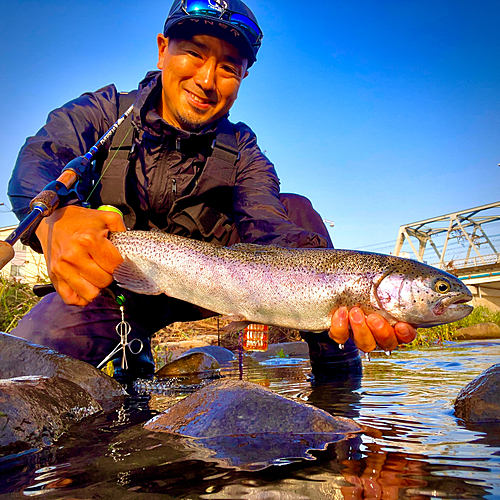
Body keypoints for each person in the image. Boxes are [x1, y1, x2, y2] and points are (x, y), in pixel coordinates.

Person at [8, 0, 416, 382]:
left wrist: (335, 288)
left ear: (243, 77)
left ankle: (339, 381)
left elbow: (268, 224)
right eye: (195, 53)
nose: (206, 79)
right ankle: (131, 353)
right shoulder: (101, 112)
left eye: (227, 67)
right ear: (162, 49)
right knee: (27, 368)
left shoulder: (242, 148)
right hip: (117, 283)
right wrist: (54, 220)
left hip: (218, 286)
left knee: (297, 212)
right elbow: (36, 162)